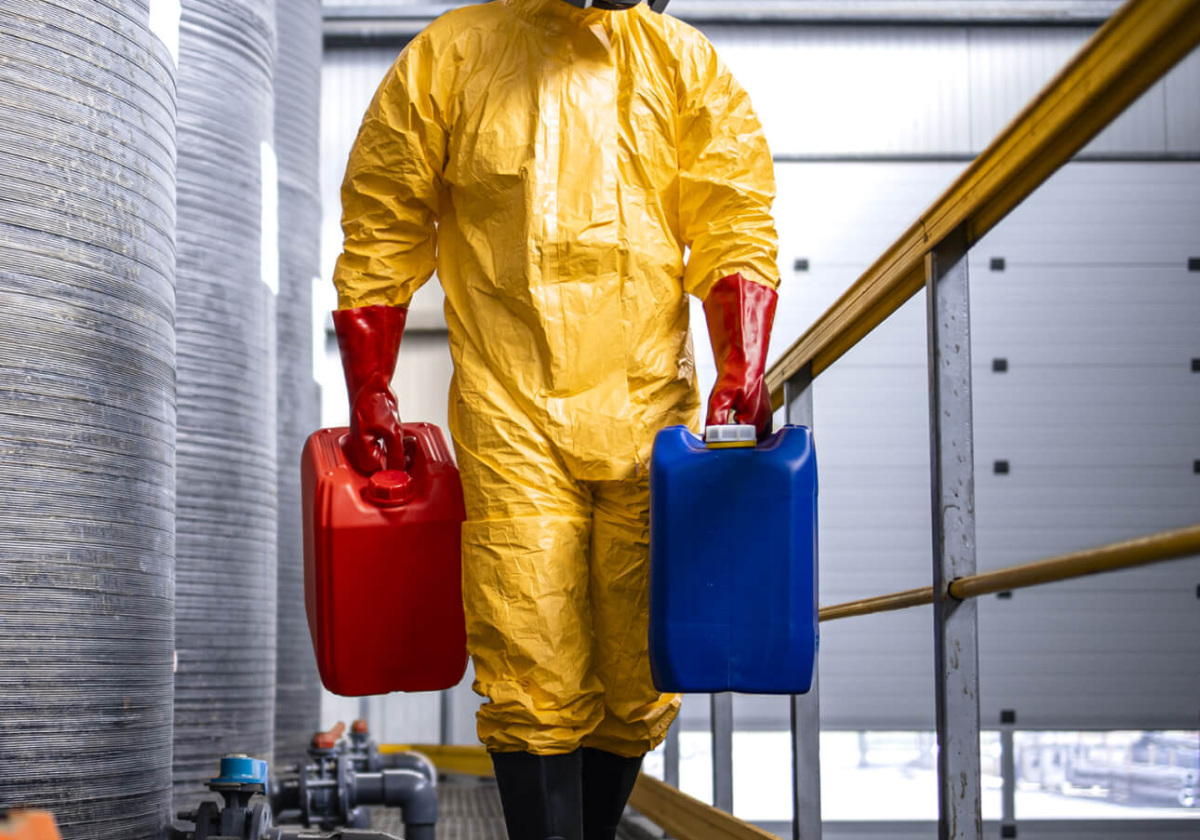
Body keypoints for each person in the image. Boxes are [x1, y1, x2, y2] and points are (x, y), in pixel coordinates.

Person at [330, 0, 779, 837]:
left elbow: (733, 216)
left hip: (651, 412)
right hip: (514, 410)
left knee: (638, 659)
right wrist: (370, 385)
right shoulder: (451, 58)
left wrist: (742, 363)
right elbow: (383, 220)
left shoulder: (682, 65)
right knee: (526, 643)